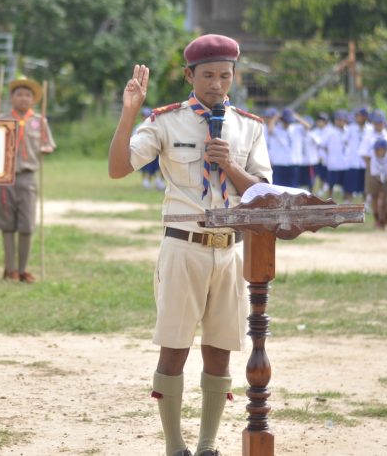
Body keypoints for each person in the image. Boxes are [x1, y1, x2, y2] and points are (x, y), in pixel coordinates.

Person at [108, 34, 271, 456]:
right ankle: (174, 444)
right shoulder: (167, 121)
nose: (217, 84)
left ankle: (207, 444)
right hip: (184, 246)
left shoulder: (249, 126)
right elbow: (118, 168)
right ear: (189, 75)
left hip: (229, 251)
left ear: (234, 76)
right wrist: (129, 113)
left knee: (220, 352)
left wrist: (229, 164)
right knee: (174, 349)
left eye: (225, 76)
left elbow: (261, 194)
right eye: (208, 75)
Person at [0, 76, 56, 283]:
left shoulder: (39, 121)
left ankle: (23, 269)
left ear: (33, 99)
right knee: (7, 224)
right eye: (19, 94)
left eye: (27, 95)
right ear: (12, 97)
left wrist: (46, 148)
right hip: (5, 177)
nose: (23, 98)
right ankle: (10, 269)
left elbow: (49, 144)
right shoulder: (1, 120)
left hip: (28, 177)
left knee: (26, 224)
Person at [322, 110, 349, 199]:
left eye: (342, 120)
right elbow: (323, 144)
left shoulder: (348, 130)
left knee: (346, 185)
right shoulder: (329, 131)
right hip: (333, 163)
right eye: (338, 120)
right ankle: (329, 200)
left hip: (345, 163)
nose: (340, 122)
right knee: (331, 184)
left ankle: (346, 201)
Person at [136, 108, 164, 190]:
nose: (147, 118)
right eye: (145, 116)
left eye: (148, 116)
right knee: (146, 167)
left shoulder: (156, 126)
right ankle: (146, 181)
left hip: (155, 151)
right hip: (144, 151)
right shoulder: (139, 127)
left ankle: (159, 181)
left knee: (159, 166)